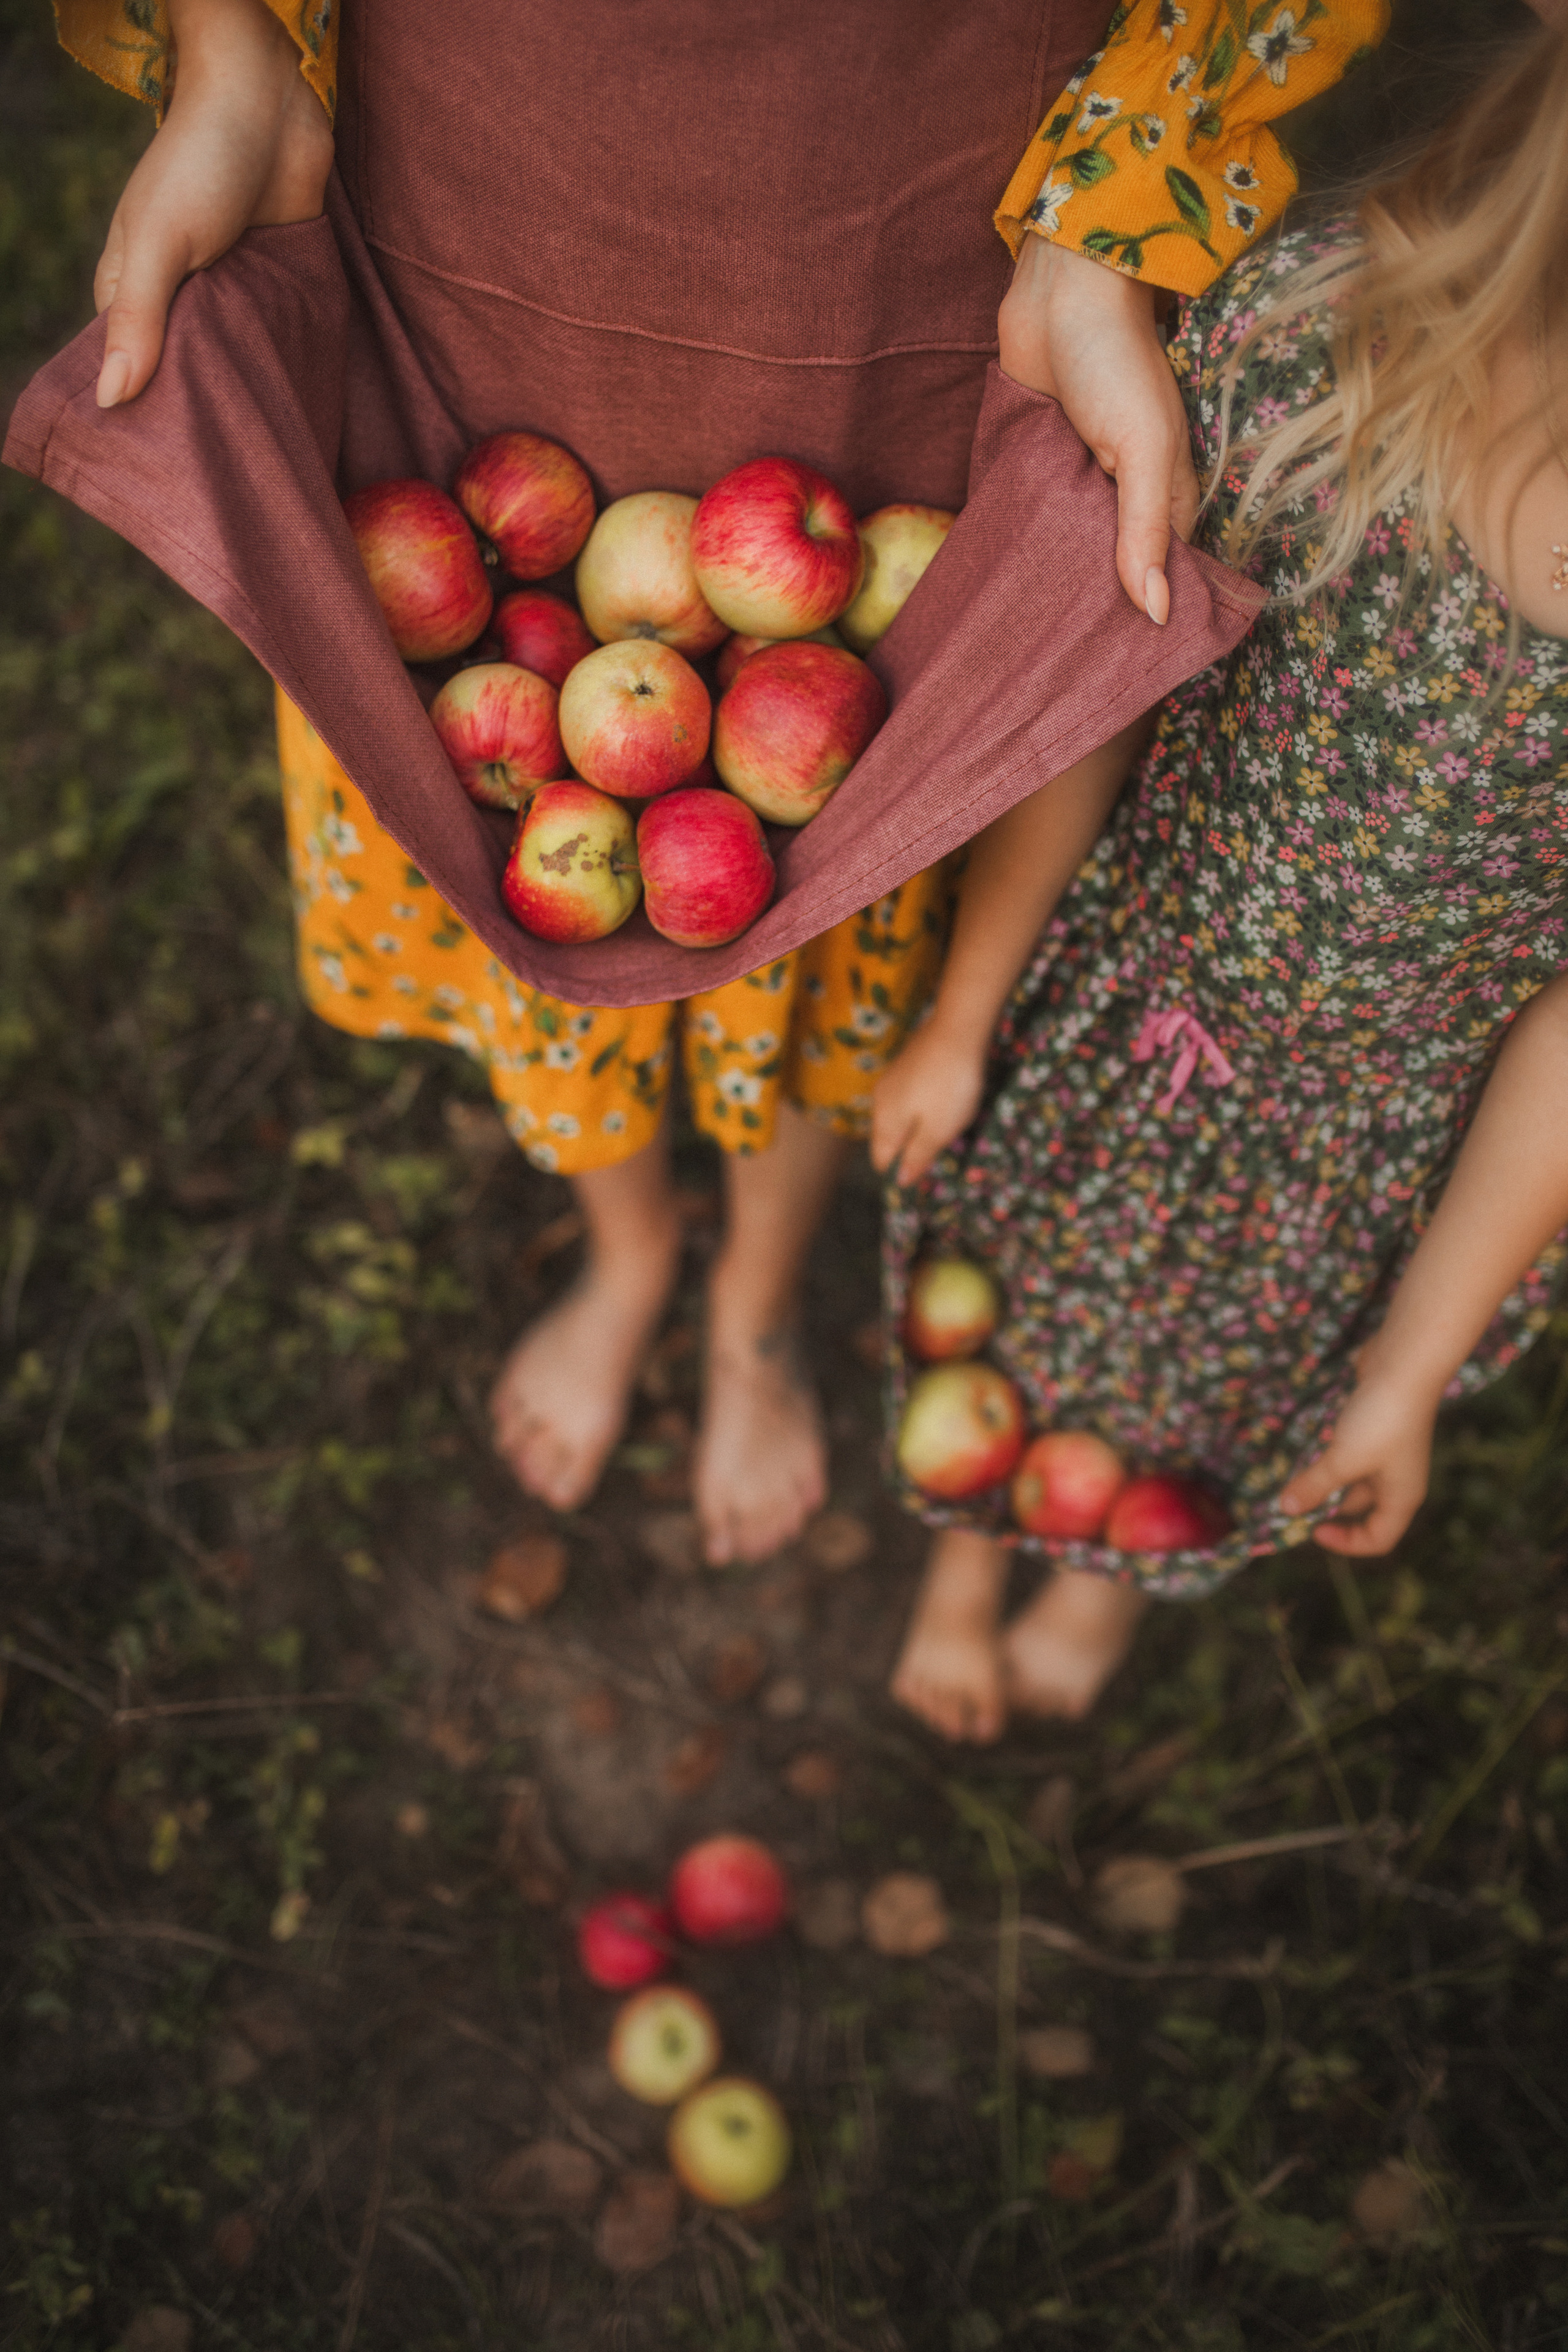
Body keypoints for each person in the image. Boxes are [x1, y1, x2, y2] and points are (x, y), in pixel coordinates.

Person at [58, 0, 1382, 1564]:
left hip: (905, 250)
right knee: (505, 878)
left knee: (840, 886)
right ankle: (632, 1255)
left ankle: (751, 1303)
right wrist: (233, 56)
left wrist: (1100, 234)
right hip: (467, 220)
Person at [872, 0, 1568, 1741]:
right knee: (1004, 1292)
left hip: (1368, 1142)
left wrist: (1408, 1368)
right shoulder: (1320, 346)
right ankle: (963, 1545)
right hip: (1128, 996)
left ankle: (1096, 1572)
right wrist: (963, 1016)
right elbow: (1107, 695)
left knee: (1215, 1395)